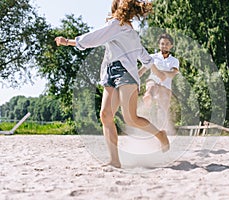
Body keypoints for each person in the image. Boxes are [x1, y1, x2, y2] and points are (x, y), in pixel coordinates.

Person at [55, 0, 169, 168]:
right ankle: (115, 160)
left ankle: (160, 135)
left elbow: (94, 38)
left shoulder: (120, 27)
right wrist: (155, 70)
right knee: (106, 115)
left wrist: (69, 42)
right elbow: (145, 57)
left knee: (130, 119)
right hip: (109, 73)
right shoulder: (121, 28)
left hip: (125, 74)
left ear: (116, 8)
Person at [139, 33, 179, 129]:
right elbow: (142, 70)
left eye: (167, 43)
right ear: (159, 45)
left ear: (171, 46)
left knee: (162, 109)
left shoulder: (174, 61)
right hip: (153, 81)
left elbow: (173, 73)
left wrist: (159, 72)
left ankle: (161, 129)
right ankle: (148, 96)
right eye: (162, 43)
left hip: (166, 86)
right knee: (152, 85)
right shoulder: (152, 57)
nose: (164, 46)